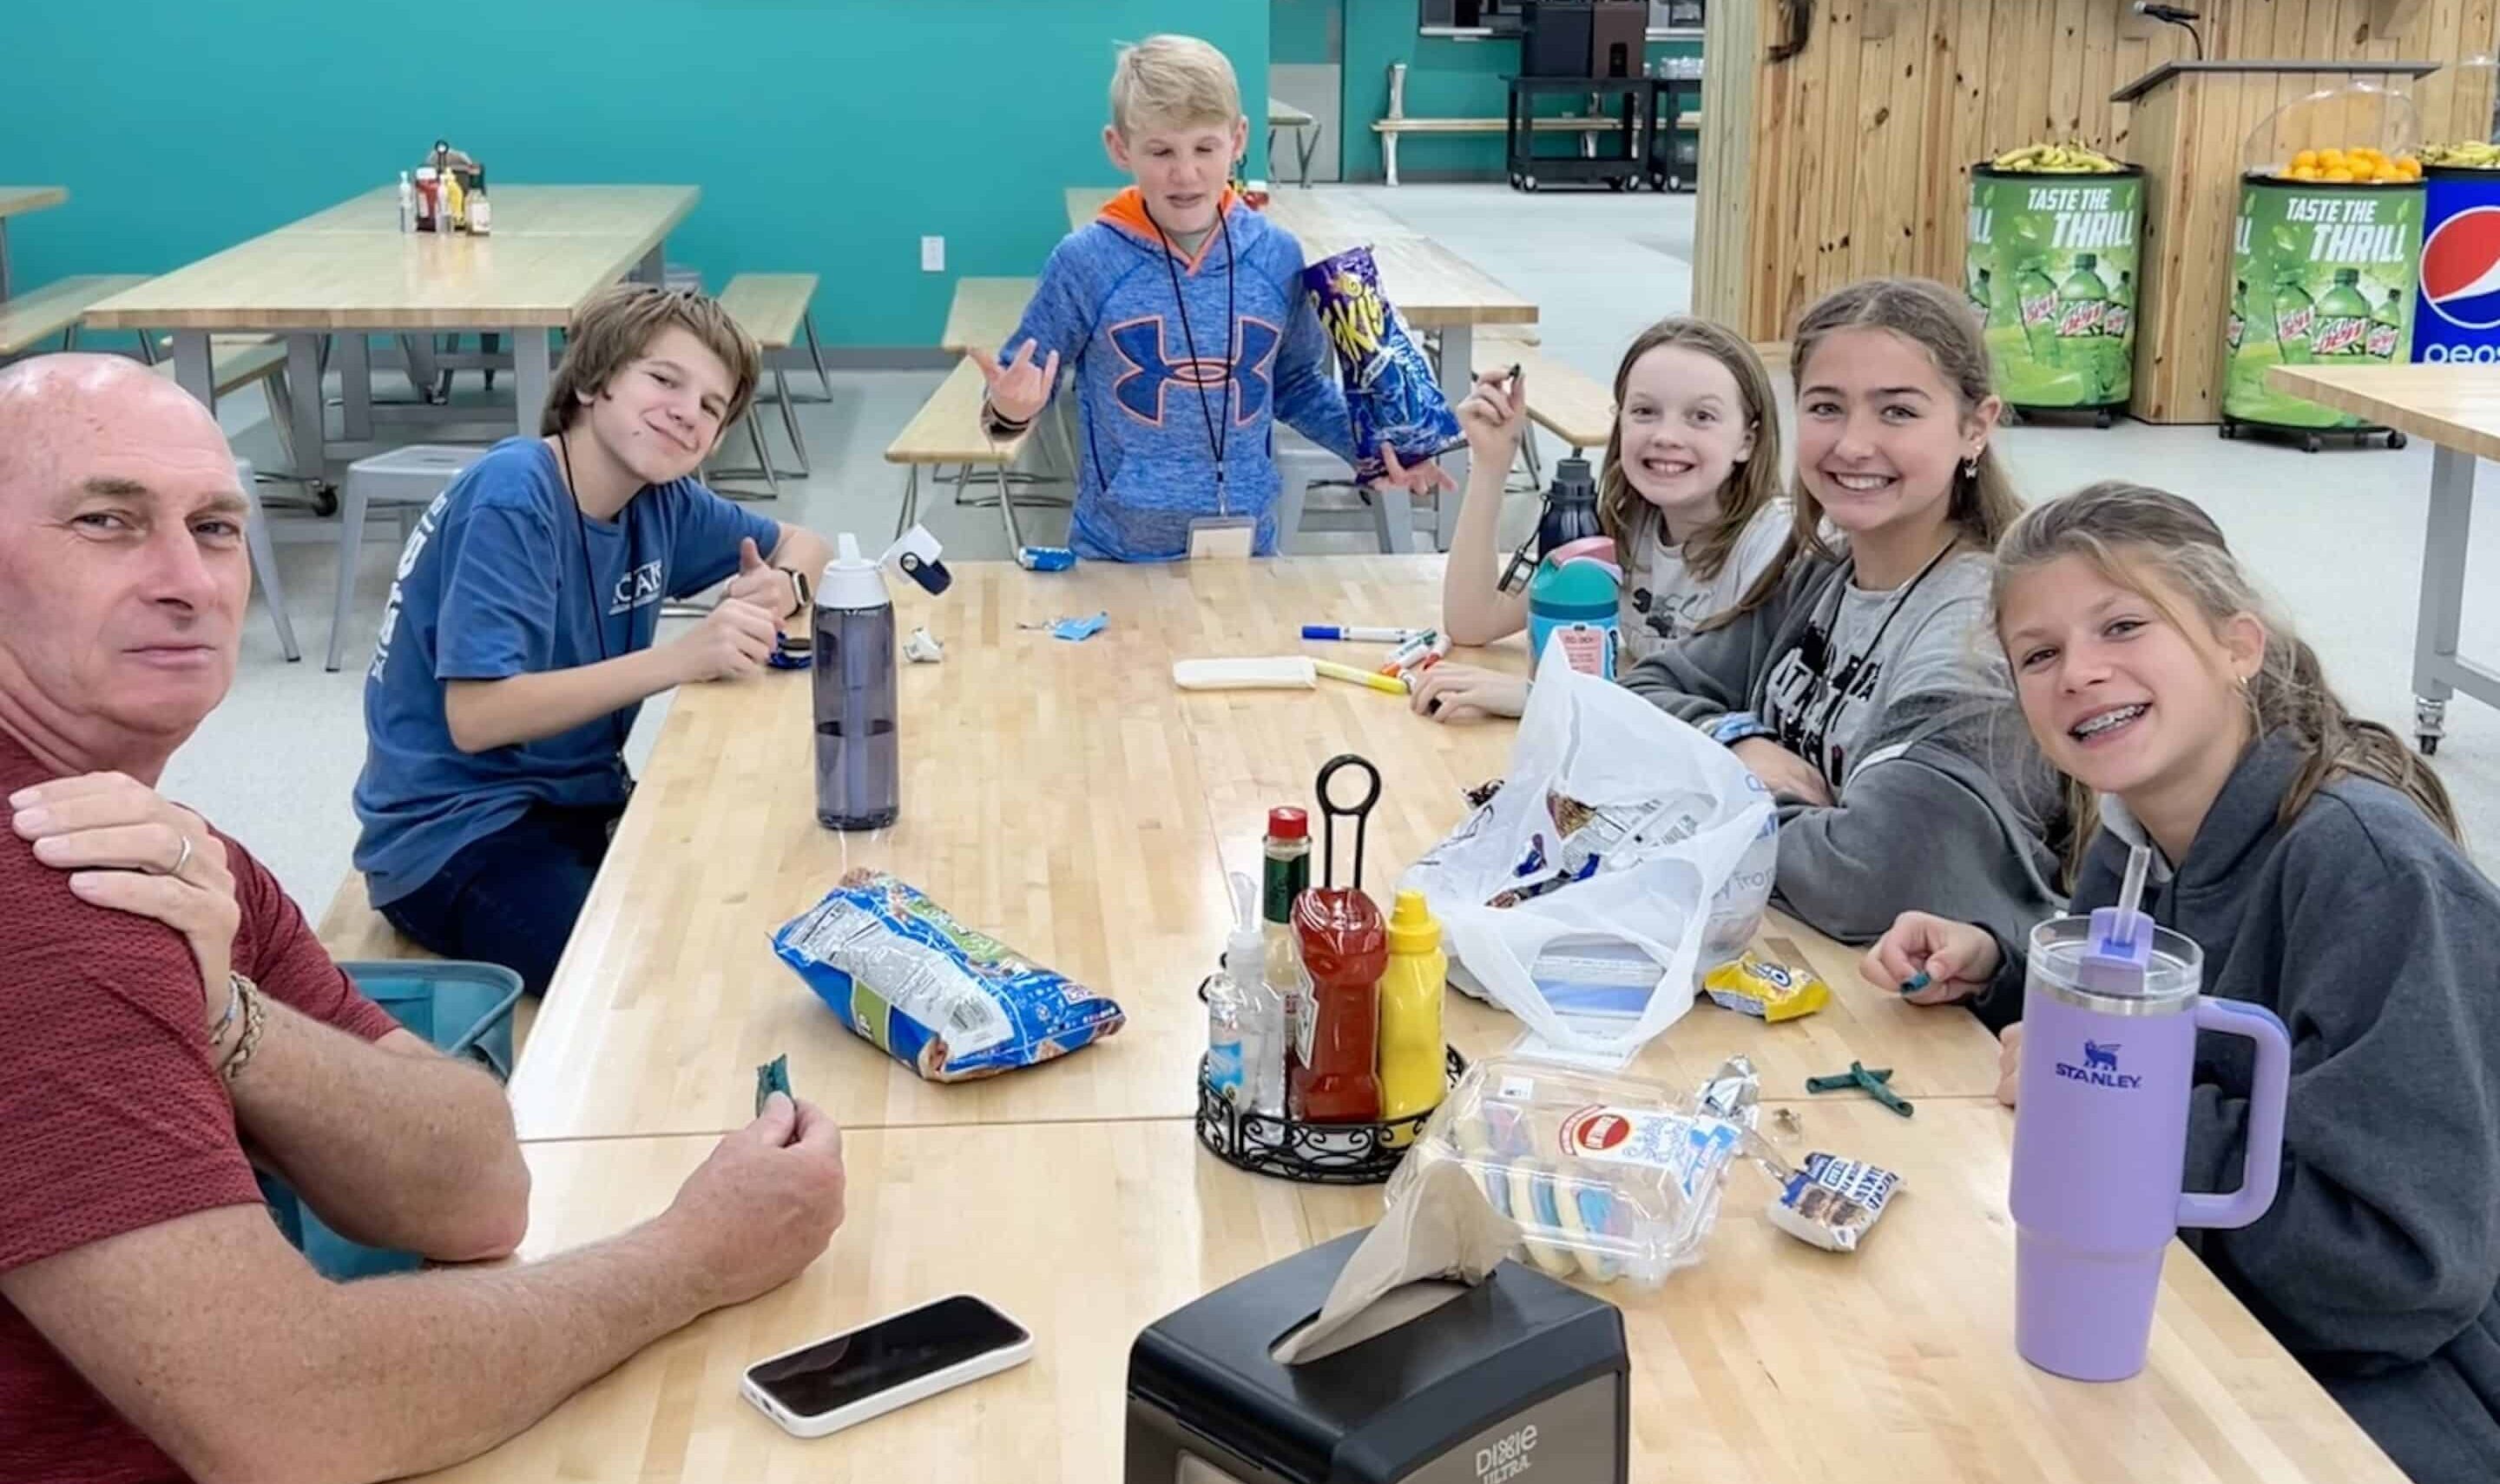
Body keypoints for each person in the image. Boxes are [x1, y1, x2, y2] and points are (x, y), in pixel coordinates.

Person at [0, 354, 847, 1484]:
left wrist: (227, 1015)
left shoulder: (178, 857)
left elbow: (478, 1185)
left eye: (213, 527)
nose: (188, 579)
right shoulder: (53, 902)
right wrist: (693, 1254)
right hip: (458, 838)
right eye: (107, 520)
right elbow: (300, 1413)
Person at [1862, 483, 2500, 1484]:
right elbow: (2151, 1034)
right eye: (2039, 655)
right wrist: (1999, 969)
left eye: (2123, 625)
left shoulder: (2372, 871)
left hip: (2399, 1397)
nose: (2080, 672)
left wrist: (2126, 1110)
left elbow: (2402, 1274)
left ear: (2238, 645)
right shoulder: (2134, 840)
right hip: (2194, 1308)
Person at [354, 284, 839, 995]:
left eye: (711, 406)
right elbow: (479, 716)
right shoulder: (513, 493)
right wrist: (682, 658)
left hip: (577, 801)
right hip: (455, 837)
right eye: (664, 379)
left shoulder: (662, 499)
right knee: (642, 981)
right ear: (591, 382)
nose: (686, 413)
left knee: (764, 897)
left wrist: (784, 585)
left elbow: (806, 542)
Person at [1619, 277, 2062, 946]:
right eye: (1826, 408)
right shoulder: (1823, 571)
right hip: (1794, 950)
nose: (1853, 444)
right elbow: (1641, 694)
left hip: (1932, 1022)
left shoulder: (1981, 632)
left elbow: (1872, 879)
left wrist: (1708, 794)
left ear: (1976, 427)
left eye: (1897, 412)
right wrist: (1743, 740)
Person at [976, 34, 1447, 561]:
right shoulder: (1085, 262)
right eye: (1160, 151)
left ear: (1238, 138)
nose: (1186, 173)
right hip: (1116, 556)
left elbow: (1295, 383)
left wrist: (1376, 448)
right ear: (1119, 148)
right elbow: (1010, 396)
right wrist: (1010, 412)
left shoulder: (1275, 255)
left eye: (1205, 147)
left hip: (1248, 550)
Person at [1411, 316, 1791, 722]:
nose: (1665, 435)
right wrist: (1491, 462)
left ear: (1747, 441)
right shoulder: (1627, 527)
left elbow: (1740, 703)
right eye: (1645, 411)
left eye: (1701, 417)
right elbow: (1473, 621)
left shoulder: (1774, 544)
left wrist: (1548, 697)